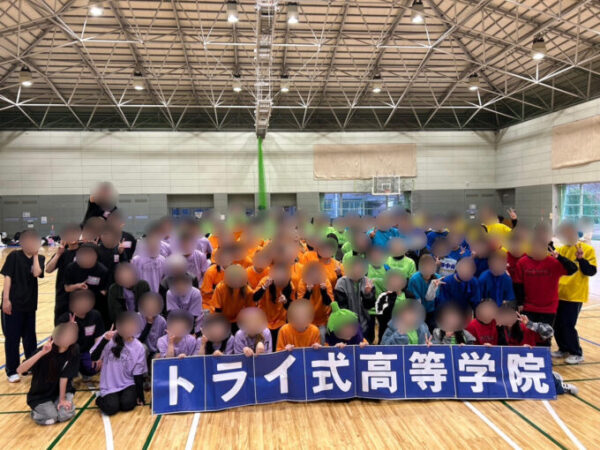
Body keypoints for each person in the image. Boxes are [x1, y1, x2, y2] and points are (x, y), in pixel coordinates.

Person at [1, 229, 45, 382]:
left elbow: (37, 273)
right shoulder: (14, 256)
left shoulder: (40, 258)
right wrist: (6, 300)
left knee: (30, 337)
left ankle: (29, 366)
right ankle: (11, 370)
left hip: (30, 304)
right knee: (12, 338)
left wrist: (35, 255)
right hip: (13, 304)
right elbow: (8, 278)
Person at [513, 237, 578, 338]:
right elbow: (518, 284)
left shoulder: (554, 262)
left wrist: (559, 257)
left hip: (549, 308)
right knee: (526, 336)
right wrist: (520, 303)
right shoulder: (522, 262)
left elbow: (573, 269)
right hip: (528, 307)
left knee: (544, 338)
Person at [18, 322, 79, 425]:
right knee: (51, 419)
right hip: (41, 395)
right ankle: (36, 413)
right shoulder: (45, 350)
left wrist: (62, 399)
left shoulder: (74, 350)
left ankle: (57, 405)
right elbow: (20, 370)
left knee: (64, 416)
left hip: (60, 392)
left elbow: (64, 377)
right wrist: (41, 353)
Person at [555, 221, 597, 364]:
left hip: (575, 295)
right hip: (559, 294)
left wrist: (581, 259)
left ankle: (576, 352)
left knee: (568, 324)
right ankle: (563, 348)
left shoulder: (587, 249)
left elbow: (591, 271)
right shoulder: (560, 250)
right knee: (557, 324)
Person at [91, 312, 146, 415]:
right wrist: (104, 340)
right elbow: (93, 357)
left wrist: (140, 396)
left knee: (127, 405)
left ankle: (121, 398)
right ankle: (99, 399)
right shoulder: (108, 338)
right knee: (111, 408)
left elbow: (138, 374)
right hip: (109, 385)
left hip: (128, 383)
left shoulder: (139, 347)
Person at [57, 290, 104, 377]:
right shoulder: (65, 319)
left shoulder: (95, 315)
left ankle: (82, 369)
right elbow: (61, 346)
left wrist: (98, 357)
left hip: (88, 353)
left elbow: (99, 338)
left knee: (93, 368)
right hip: (71, 353)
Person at [64, 243, 110, 327]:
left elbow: (104, 291)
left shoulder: (102, 270)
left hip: (97, 305)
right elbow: (67, 288)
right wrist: (77, 286)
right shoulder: (71, 268)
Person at [334, 256, 376, 342]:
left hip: (365, 323)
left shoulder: (368, 283)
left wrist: (367, 294)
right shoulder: (341, 283)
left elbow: (370, 306)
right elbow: (341, 308)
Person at [45, 223, 80, 323]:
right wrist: (58, 254)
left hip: (80, 295)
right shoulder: (62, 253)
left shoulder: (85, 251)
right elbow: (48, 269)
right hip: (63, 296)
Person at [253, 263, 295, 345]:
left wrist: (285, 301)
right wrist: (264, 287)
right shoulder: (265, 281)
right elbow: (255, 298)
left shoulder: (290, 286)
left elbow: (291, 308)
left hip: (280, 321)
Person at [296, 261, 333, 342]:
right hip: (306, 320)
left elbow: (329, 303)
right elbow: (301, 306)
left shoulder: (325, 282)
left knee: (321, 337)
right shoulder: (302, 283)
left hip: (322, 320)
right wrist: (308, 292)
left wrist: (324, 291)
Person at [212, 265, 253, 329]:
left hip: (238, 319)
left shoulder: (248, 291)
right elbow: (217, 309)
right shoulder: (220, 288)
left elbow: (249, 310)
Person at [406, 254, 440, 331]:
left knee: (433, 330)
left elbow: (431, 298)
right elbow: (415, 301)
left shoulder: (438, 278)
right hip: (418, 311)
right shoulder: (414, 279)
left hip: (432, 310)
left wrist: (433, 287)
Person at [131, 224, 167, 293]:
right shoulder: (137, 260)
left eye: (155, 244)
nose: (153, 247)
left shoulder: (162, 260)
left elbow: (164, 278)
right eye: (151, 244)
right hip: (142, 293)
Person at [374, 269, 407, 342]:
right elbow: (380, 316)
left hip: (407, 329)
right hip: (387, 330)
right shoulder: (383, 297)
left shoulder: (409, 295)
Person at [135, 292, 167, 360]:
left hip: (155, 352)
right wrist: (149, 323)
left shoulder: (162, 321)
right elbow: (138, 341)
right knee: (143, 348)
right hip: (141, 350)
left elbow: (164, 340)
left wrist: (159, 352)